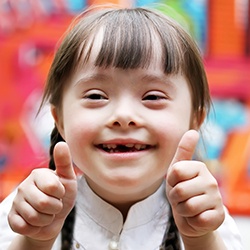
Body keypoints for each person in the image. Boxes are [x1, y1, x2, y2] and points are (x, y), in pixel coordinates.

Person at [0, 5, 243, 250]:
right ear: (59, 119)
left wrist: (201, 239)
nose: (124, 115)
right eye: (96, 96)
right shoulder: (26, 211)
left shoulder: (209, 219)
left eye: (152, 97)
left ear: (195, 120)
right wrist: (32, 241)